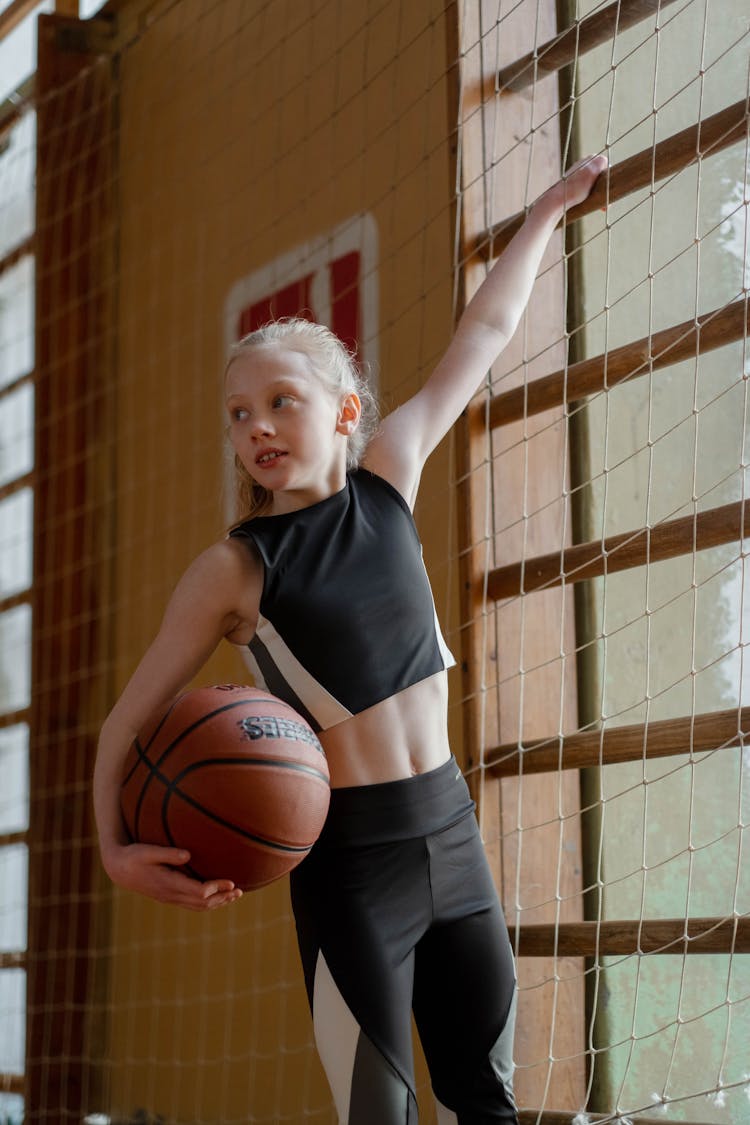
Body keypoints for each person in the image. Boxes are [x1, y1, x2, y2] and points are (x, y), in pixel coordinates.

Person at [94, 153, 608, 1124]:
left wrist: (546, 208)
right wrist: (117, 849)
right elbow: (127, 720)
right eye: (239, 415)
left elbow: (487, 330)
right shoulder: (236, 570)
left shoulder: (391, 473)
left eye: (280, 402)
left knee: (486, 1103)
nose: (256, 429)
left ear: (342, 411)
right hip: (349, 873)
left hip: (456, 839)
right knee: (381, 1117)